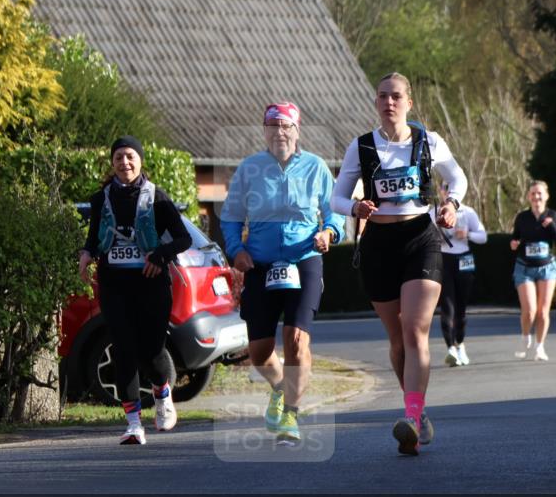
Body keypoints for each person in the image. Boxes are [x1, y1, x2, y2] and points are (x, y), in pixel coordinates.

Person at [331, 72, 468, 456]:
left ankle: (410, 415)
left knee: (414, 330)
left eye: (395, 96)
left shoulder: (429, 141)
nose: (388, 102)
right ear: (376, 102)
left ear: (409, 102)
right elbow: (336, 198)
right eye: (382, 96)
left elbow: (458, 178)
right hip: (378, 244)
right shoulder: (361, 146)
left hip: (420, 239)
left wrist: (451, 205)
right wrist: (355, 207)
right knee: (397, 340)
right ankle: (418, 414)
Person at [220, 102, 344, 445]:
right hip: (260, 265)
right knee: (259, 351)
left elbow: (335, 211)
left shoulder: (316, 167)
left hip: (304, 259)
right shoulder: (249, 169)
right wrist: (237, 250)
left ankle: (291, 413)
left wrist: (329, 232)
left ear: (297, 130)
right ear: (265, 131)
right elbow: (230, 217)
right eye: (272, 126)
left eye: (286, 126)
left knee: (296, 339)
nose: (279, 132)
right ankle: (279, 387)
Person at [79, 136, 192, 445]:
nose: (124, 162)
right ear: (112, 163)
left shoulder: (157, 197)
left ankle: (162, 393)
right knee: (123, 348)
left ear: (140, 161)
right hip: (114, 284)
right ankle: (133, 424)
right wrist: (87, 254)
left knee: (152, 351)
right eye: (118, 157)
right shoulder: (101, 198)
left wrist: (160, 256)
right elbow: (94, 237)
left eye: (130, 156)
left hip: (151, 284)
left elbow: (183, 238)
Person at [510, 180, 556, 361]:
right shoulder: (522, 217)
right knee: (529, 311)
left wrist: (552, 227)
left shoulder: (553, 216)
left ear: (546, 196)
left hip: (547, 268)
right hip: (524, 268)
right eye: (533, 193)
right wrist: (514, 244)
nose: (536, 197)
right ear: (528, 196)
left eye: (539, 193)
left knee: (542, 312)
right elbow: (515, 239)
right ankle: (525, 337)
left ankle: (539, 347)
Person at [437, 186, 487, 367]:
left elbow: (483, 237)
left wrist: (467, 234)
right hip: (443, 259)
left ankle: (460, 344)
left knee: (461, 308)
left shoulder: (468, 212)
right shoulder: (434, 212)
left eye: (451, 188)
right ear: (440, 191)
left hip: (464, 258)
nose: (447, 192)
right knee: (447, 306)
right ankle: (450, 348)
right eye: (445, 188)